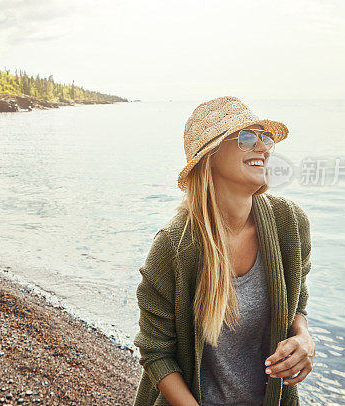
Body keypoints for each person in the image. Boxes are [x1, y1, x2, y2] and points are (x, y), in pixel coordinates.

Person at [133, 96, 315, 406]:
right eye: (246, 137)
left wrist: (304, 340)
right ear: (210, 156)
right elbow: (157, 353)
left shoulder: (291, 223)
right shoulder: (174, 245)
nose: (262, 147)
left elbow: (299, 304)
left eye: (265, 137)